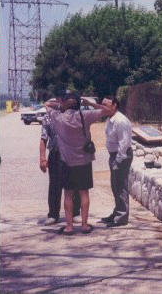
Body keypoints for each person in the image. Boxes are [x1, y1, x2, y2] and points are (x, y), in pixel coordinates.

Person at [45, 92, 110, 235]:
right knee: (84, 193)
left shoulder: (59, 117)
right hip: (84, 161)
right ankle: (84, 225)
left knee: (68, 194)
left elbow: (47, 104)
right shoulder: (84, 116)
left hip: (66, 162)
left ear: (67, 103)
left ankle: (69, 227)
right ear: (79, 104)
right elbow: (106, 111)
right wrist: (90, 103)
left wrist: (61, 105)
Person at [39, 91, 81, 225]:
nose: (63, 102)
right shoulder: (49, 116)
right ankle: (53, 214)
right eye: (61, 99)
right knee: (54, 185)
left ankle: (75, 213)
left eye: (66, 99)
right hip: (56, 153)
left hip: (72, 153)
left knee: (74, 183)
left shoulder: (75, 115)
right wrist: (42, 158)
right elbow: (43, 138)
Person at [100, 96, 133, 228]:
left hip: (121, 156)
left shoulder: (121, 121)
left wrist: (118, 161)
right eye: (102, 104)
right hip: (114, 155)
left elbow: (124, 143)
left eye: (106, 105)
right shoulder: (110, 120)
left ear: (114, 106)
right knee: (115, 186)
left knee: (120, 186)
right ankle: (117, 212)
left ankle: (121, 217)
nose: (103, 107)